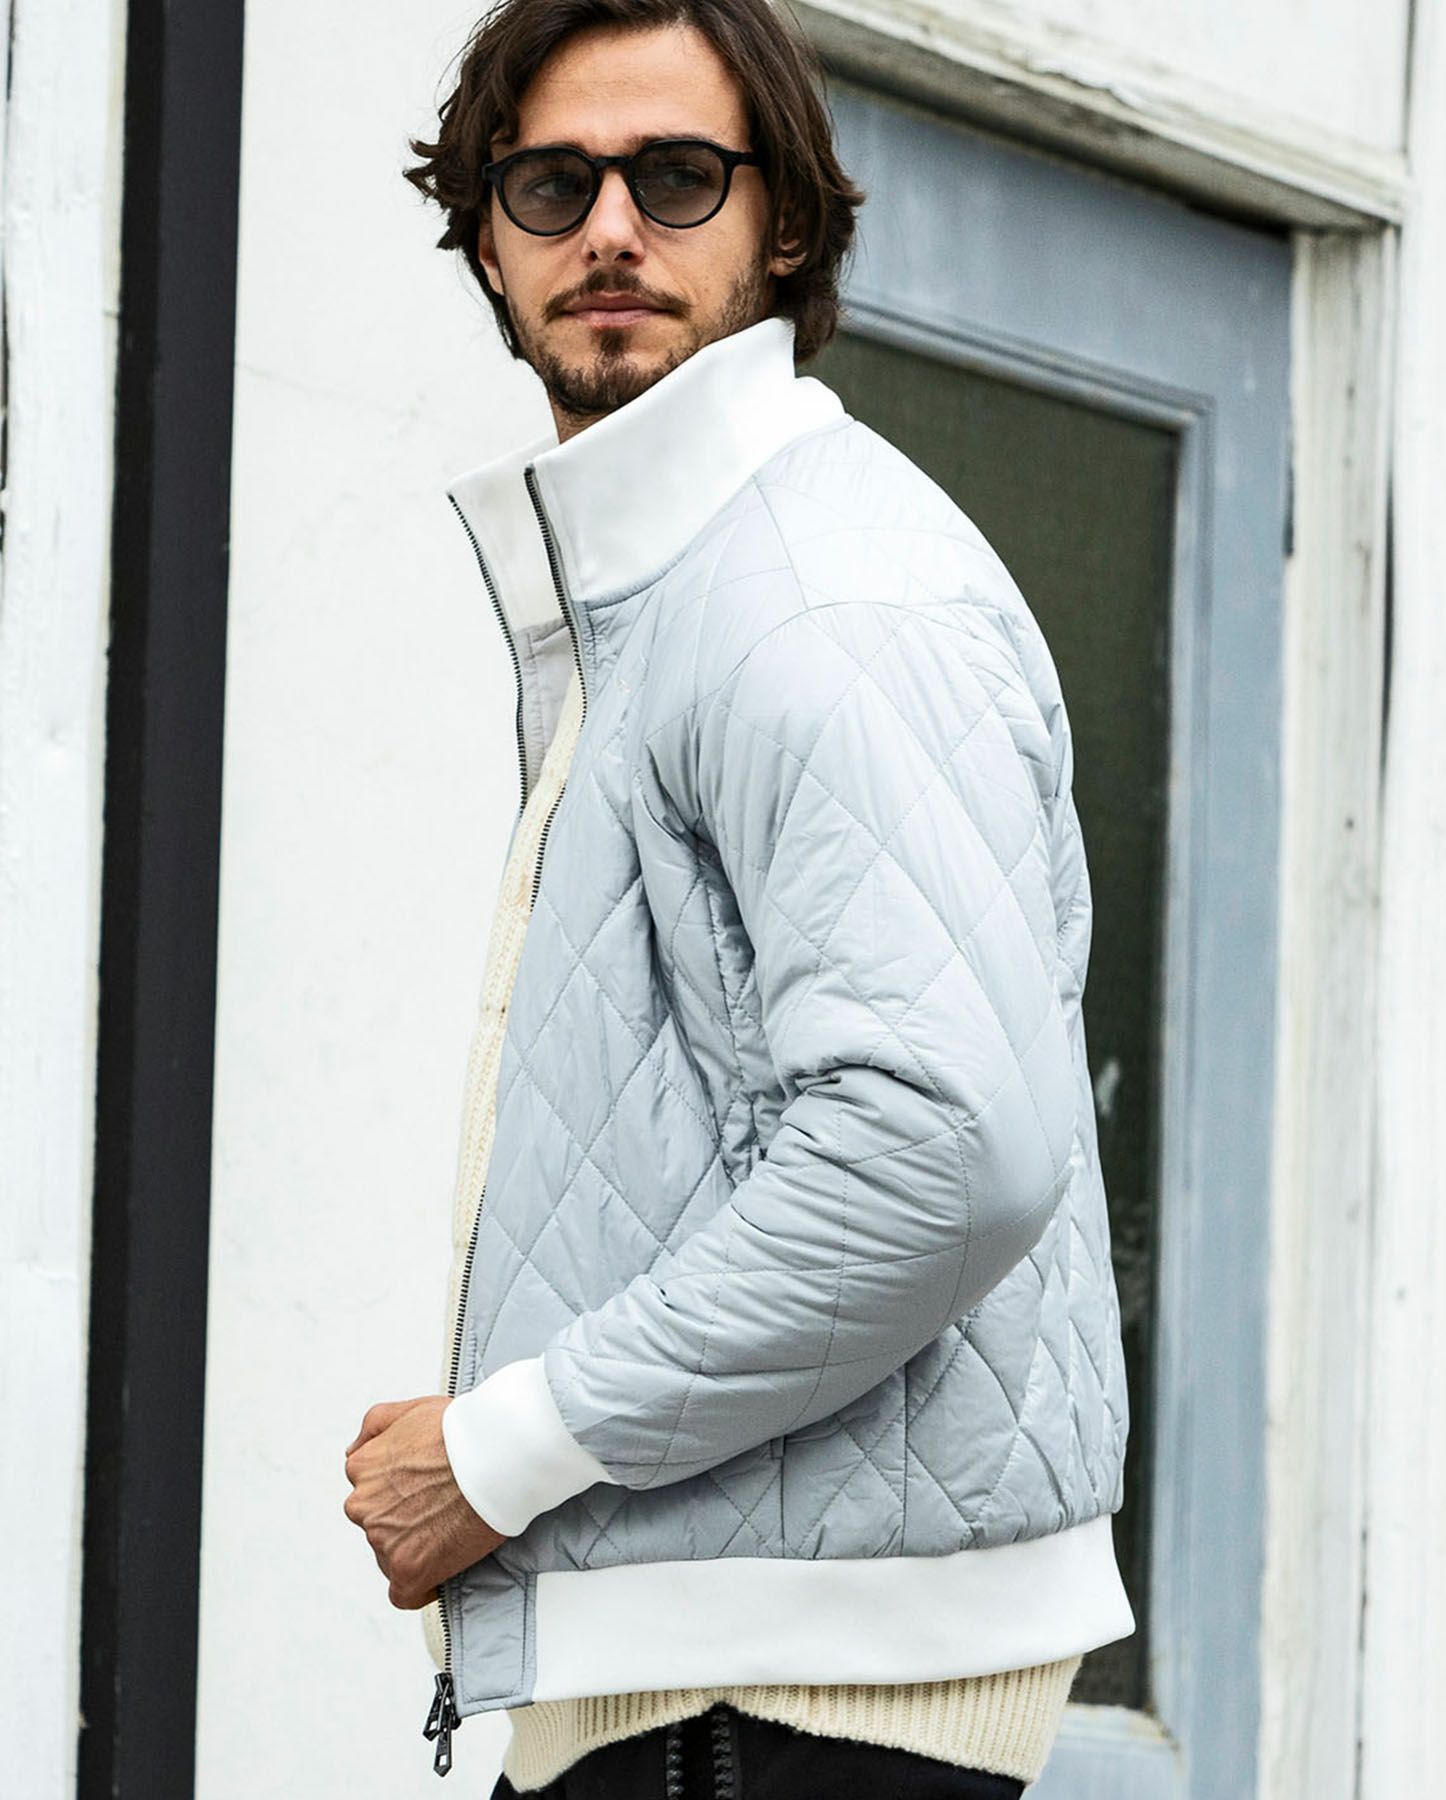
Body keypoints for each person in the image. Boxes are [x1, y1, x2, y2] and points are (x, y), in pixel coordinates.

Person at [343, 2, 1134, 1794]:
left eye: (679, 176)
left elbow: (936, 1149)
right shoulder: (688, 580)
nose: (613, 228)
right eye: (554, 184)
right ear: (488, 236)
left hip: (780, 1696)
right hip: (728, 1667)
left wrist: (501, 1452)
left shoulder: (819, 600)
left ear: (782, 223)